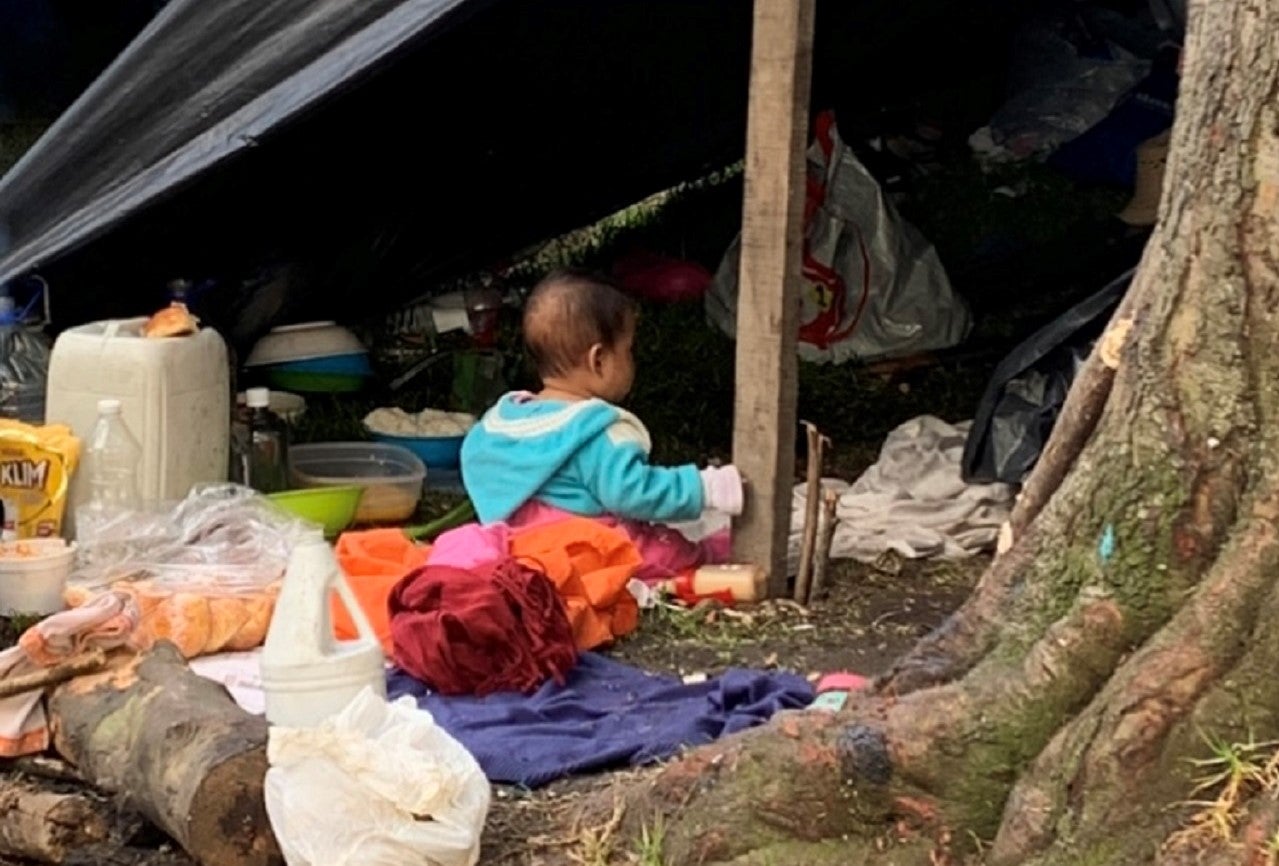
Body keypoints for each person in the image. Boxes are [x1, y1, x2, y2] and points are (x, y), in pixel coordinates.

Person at [461, 269, 743, 581]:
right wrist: (704, 488)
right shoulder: (595, 432)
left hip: (525, 551)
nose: (632, 360)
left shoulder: (501, 425)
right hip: (587, 552)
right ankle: (708, 555)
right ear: (598, 360)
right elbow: (635, 493)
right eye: (628, 350)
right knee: (667, 552)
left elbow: (477, 465)